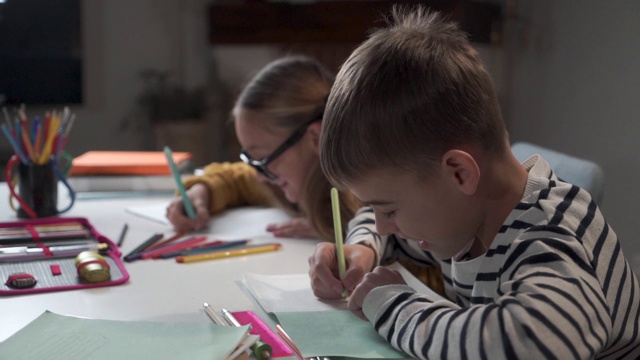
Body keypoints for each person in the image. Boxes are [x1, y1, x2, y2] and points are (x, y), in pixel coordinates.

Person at [310, 6, 640, 359]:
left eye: (388, 209)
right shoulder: (467, 218)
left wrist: (392, 304)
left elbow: (525, 346)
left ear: (459, 173)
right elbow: (402, 237)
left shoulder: (548, 237)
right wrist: (364, 247)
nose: (383, 225)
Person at [165, 56, 361, 242]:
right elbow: (237, 179)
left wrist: (344, 230)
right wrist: (202, 192)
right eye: (251, 159)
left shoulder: (367, 189)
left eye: (263, 158)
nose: (259, 175)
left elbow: (387, 232)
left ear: (315, 138)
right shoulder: (279, 181)